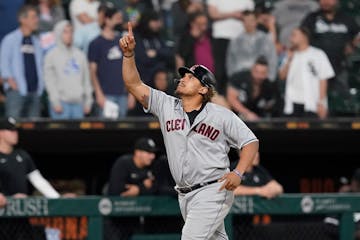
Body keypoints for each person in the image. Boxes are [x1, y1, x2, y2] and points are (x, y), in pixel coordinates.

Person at [120, 22, 259, 239]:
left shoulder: (220, 114)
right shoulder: (167, 106)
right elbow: (133, 85)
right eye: (184, 75)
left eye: (190, 77)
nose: (183, 78)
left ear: (204, 89)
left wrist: (238, 172)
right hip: (184, 194)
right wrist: (129, 56)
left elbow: (250, 142)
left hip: (213, 189)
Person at [0, 117, 60, 240]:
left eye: (16, 130)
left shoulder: (23, 155)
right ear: (1, 132)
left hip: (21, 215)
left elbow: (38, 181)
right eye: (11, 131)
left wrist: (59, 199)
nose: (15, 134)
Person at [301, 0, 360, 94]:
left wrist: (352, 46)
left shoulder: (346, 18)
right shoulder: (312, 18)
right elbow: (301, 37)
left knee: (341, 98)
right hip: (316, 67)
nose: (325, 2)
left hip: (339, 67)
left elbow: (357, 35)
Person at [279, 27, 335, 118]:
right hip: (293, 102)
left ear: (304, 36)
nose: (290, 38)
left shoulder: (318, 54)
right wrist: (289, 60)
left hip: (312, 102)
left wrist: (322, 103)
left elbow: (323, 79)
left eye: (294, 35)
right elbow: (282, 76)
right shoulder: (289, 54)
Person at [0, 5, 45, 118]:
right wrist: (10, 80)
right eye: (33, 17)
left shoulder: (36, 41)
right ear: (22, 19)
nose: (37, 20)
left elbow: (40, 65)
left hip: (35, 92)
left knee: (33, 131)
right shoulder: (10, 39)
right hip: (16, 92)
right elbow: (3, 62)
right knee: (13, 128)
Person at [44, 20, 93, 119]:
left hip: (79, 104)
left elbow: (86, 80)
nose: (69, 35)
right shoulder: (51, 56)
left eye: (71, 31)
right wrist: (55, 101)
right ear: (58, 34)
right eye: (65, 32)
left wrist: (88, 101)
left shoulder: (80, 55)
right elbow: (49, 81)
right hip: (61, 104)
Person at [207, 0, 254, 95]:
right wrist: (233, 14)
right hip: (221, 37)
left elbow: (250, 16)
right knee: (220, 72)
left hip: (241, 38)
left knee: (239, 71)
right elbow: (213, 14)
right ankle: (218, 99)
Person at [88, 6, 128, 118]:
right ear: (107, 20)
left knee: (124, 131)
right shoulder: (96, 43)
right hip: (106, 95)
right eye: (117, 18)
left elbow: (128, 68)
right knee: (105, 133)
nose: (120, 21)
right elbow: (92, 71)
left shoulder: (122, 41)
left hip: (122, 94)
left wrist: (130, 94)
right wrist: (98, 94)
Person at [226, 10, 277, 82]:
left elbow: (272, 60)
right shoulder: (235, 41)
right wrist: (233, 81)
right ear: (243, 23)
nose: (248, 23)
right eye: (245, 21)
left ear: (256, 21)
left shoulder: (265, 39)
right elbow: (230, 64)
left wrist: (270, 79)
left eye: (251, 20)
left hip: (261, 80)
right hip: (240, 79)